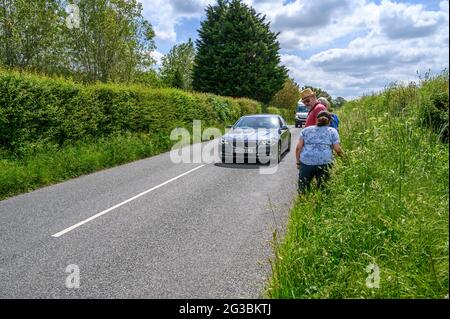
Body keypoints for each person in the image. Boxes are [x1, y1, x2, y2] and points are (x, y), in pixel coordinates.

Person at [295, 111, 343, 194]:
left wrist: (298, 162)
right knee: (323, 188)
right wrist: (344, 158)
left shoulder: (306, 130)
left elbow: (298, 148)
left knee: (303, 187)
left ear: (316, 120)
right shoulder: (332, 131)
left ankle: (304, 203)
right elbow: (337, 149)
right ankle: (320, 204)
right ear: (329, 121)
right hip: (325, 162)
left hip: (307, 162)